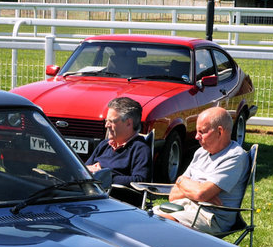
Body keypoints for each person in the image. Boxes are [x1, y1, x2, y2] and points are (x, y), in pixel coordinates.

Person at [153, 107, 248, 235]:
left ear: (220, 132)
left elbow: (200, 194)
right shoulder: (201, 152)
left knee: (158, 225)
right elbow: (173, 195)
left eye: (201, 132)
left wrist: (191, 189)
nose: (197, 137)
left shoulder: (234, 156)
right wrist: (184, 182)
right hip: (185, 207)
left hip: (210, 218)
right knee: (144, 217)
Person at [85, 97, 151, 195]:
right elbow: (84, 169)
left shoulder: (140, 149)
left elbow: (140, 180)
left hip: (117, 202)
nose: (106, 125)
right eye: (106, 121)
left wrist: (105, 175)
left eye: (112, 121)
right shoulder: (105, 145)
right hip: (91, 194)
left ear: (129, 123)